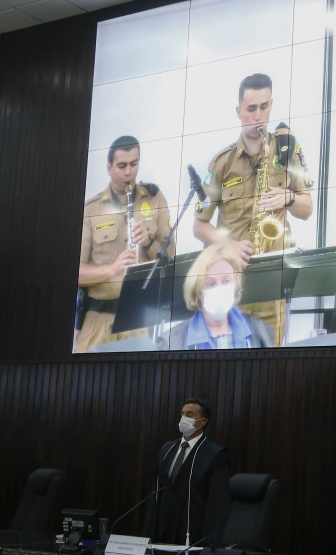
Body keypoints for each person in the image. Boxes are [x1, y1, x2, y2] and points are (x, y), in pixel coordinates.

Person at [193, 73, 314, 345]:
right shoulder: (222, 162)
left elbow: (307, 209)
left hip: (274, 283)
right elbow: (199, 226)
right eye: (251, 109)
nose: (258, 116)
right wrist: (230, 245)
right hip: (232, 284)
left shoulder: (288, 152)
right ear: (238, 112)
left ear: (271, 104)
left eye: (264, 107)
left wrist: (289, 197)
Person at [76, 135, 173, 353]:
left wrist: (147, 242)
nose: (128, 172)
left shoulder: (154, 199)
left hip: (138, 319)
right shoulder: (90, 209)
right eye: (121, 166)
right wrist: (112, 269)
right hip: (97, 320)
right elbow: (76, 273)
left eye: (133, 164)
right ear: (109, 167)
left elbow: (172, 256)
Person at [142, 398, 231, 546]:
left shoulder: (215, 455)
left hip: (193, 531)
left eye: (190, 415)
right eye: (182, 414)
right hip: (163, 530)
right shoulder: (167, 449)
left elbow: (218, 505)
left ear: (203, 421)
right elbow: (156, 492)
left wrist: (210, 544)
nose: (184, 419)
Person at [158, 243, 274, 350]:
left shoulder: (261, 332)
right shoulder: (171, 343)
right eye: (211, 283)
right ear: (198, 291)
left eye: (226, 281)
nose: (220, 289)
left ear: (236, 282)